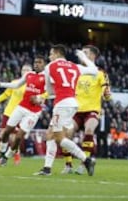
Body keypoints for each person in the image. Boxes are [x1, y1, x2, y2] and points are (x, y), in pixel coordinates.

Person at [34, 44, 97, 176]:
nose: (49, 57)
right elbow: (94, 70)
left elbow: (50, 91)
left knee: (59, 138)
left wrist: (46, 96)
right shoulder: (75, 66)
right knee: (50, 134)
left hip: (62, 104)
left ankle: (86, 160)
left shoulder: (50, 66)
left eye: (51, 54)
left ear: (57, 54)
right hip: (73, 103)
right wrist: (83, 57)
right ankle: (47, 168)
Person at [61, 45, 112, 174]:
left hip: (92, 110)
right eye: (81, 52)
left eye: (85, 53)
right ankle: (68, 165)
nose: (81, 55)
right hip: (76, 110)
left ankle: (84, 165)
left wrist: (107, 96)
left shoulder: (100, 73)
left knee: (89, 130)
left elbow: (107, 93)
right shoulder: (77, 71)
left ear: (92, 56)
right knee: (67, 134)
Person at [0, 55, 46, 166]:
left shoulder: (47, 77)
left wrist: (40, 98)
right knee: (6, 132)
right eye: (35, 62)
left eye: (39, 62)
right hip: (21, 107)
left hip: (33, 112)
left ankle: (8, 156)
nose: (36, 64)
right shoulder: (28, 75)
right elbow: (15, 85)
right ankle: (1, 152)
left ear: (44, 64)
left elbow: (52, 92)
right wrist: (0, 84)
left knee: (18, 137)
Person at [0, 64, 32, 165]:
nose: (25, 71)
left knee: (14, 138)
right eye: (23, 69)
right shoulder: (15, 83)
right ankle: (2, 156)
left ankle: (15, 156)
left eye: (27, 70)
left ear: (31, 72)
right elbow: (6, 94)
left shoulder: (32, 86)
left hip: (21, 113)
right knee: (3, 135)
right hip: (8, 112)